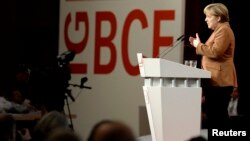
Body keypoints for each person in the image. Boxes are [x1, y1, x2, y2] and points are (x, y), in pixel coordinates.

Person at [189, 3, 237, 130]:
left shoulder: (224, 30)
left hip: (221, 81)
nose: (205, 19)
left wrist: (198, 45)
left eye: (208, 16)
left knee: (218, 118)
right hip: (216, 81)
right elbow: (213, 50)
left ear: (218, 18)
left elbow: (215, 52)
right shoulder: (219, 30)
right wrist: (199, 45)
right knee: (214, 117)